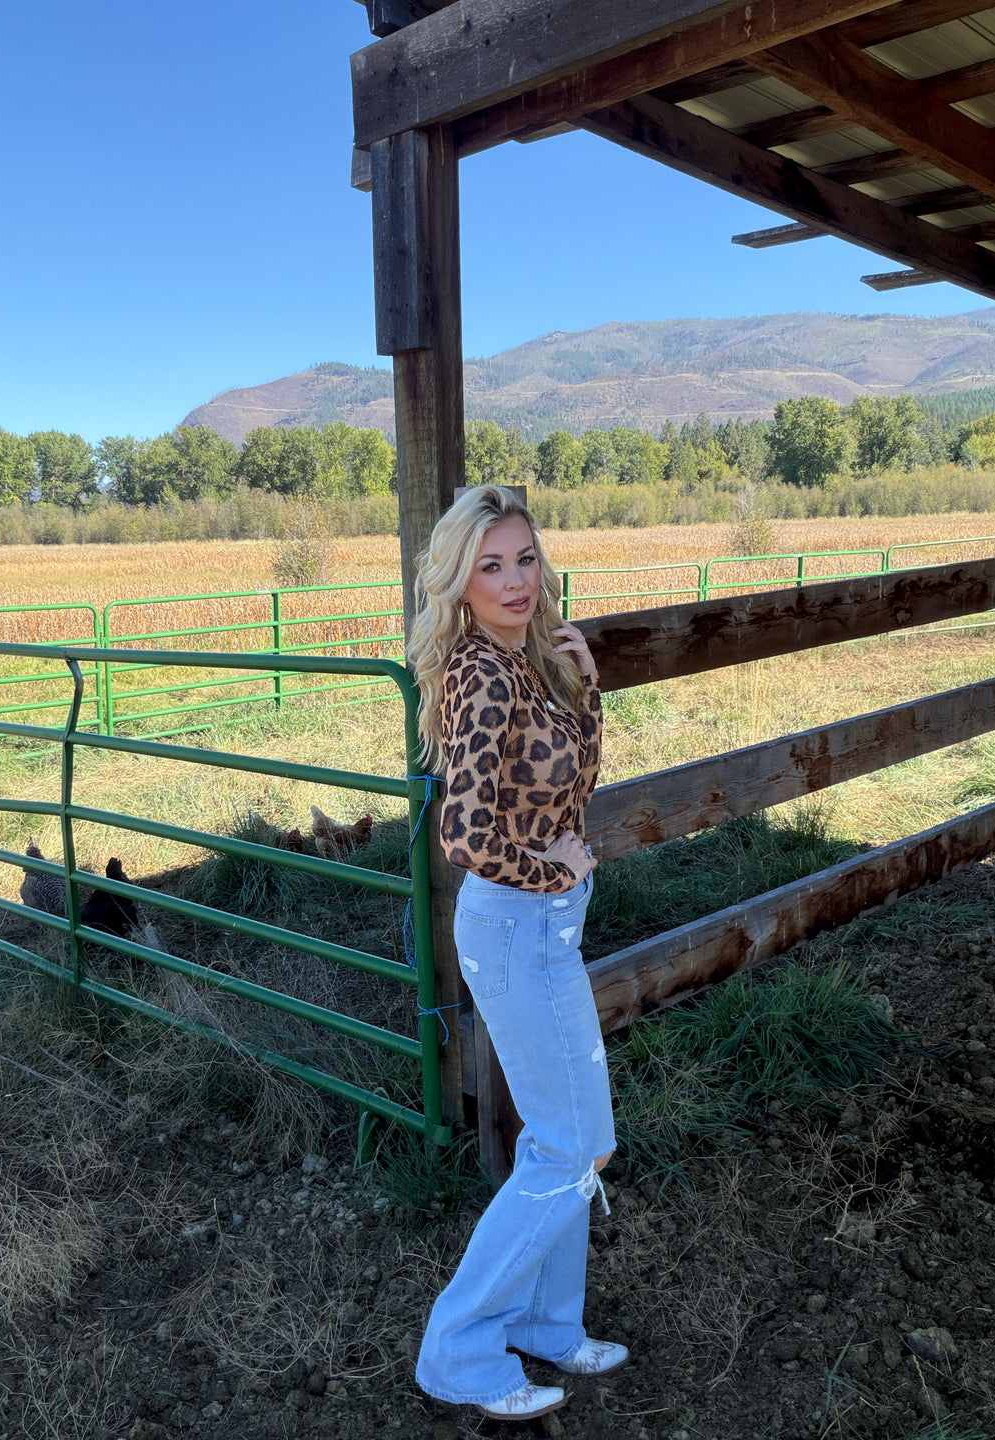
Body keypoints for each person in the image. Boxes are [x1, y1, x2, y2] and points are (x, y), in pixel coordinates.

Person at [405, 485, 624, 1422]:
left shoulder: (526, 658)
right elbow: (462, 837)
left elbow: (570, 784)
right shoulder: (481, 674)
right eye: (490, 565)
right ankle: (458, 1346)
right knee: (578, 1143)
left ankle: (543, 1318)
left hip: (542, 922)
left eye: (525, 558)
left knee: (562, 1136)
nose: (515, 580)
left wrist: (588, 688)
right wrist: (553, 871)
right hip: (514, 923)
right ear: (458, 581)